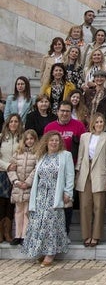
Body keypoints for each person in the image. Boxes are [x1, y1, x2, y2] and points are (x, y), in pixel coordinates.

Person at [21, 131, 73, 267]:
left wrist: (68, 192)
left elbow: (70, 175)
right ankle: (43, 250)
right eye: (51, 140)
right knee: (39, 223)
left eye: (56, 140)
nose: (54, 143)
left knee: (51, 224)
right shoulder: (42, 157)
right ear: (46, 142)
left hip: (55, 194)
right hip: (40, 195)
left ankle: (51, 253)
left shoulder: (65, 156)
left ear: (60, 142)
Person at [75, 113, 106, 248]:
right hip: (85, 173)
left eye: (101, 122)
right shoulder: (84, 137)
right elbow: (80, 156)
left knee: (99, 206)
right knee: (85, 206)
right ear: (92, 123)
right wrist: (77, 173)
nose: (99, 124)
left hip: (100, 172)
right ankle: (86, 235)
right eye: (97, 122)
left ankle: (96, 235)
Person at [7, 129, 38, 245]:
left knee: (27, 211)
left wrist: (28, 182)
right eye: (27, 139)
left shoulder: (37, 154)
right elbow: (11, 169)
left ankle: (25, 235)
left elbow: (36, 169)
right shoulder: (18, 153)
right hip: (18, 187)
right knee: (18, 211)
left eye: (31, 139)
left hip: (29, 187)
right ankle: (17, 235)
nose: (29, 141)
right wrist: (16, 181)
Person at [0, 113, 23, 243]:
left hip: (16, 174)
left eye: (16, 121)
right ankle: (0, 232)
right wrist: (7, 166)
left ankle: (8, 232)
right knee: (1, 203)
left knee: (11, 203)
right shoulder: (1, 137)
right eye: (11, 121)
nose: (13, 124)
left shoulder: (22, 139)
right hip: (2, 173)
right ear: (7, 124)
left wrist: (15, 167)